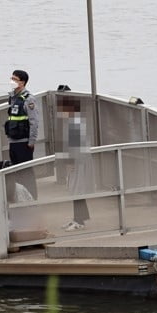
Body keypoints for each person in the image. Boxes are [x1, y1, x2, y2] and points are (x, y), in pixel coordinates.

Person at [4, 70, 40, 199]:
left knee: (26, 173)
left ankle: (32, 200)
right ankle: (22, 199)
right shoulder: (13, 97)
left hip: (24, 142)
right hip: (13, 142)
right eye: (11, 78)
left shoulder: (28, 99)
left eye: (15, 79)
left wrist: (31, 142)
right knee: (17, 173)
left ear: (22, 82)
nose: (12, 81)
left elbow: (34, 122)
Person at [58, 99, 91, 231]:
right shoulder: (72, 122)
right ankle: (78, 218)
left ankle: (79, 221)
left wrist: (70, 162)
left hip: (78, 162)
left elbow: (75, 146)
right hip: (76, 161)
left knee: (77, 190)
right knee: (75, 190)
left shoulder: (75, 123)